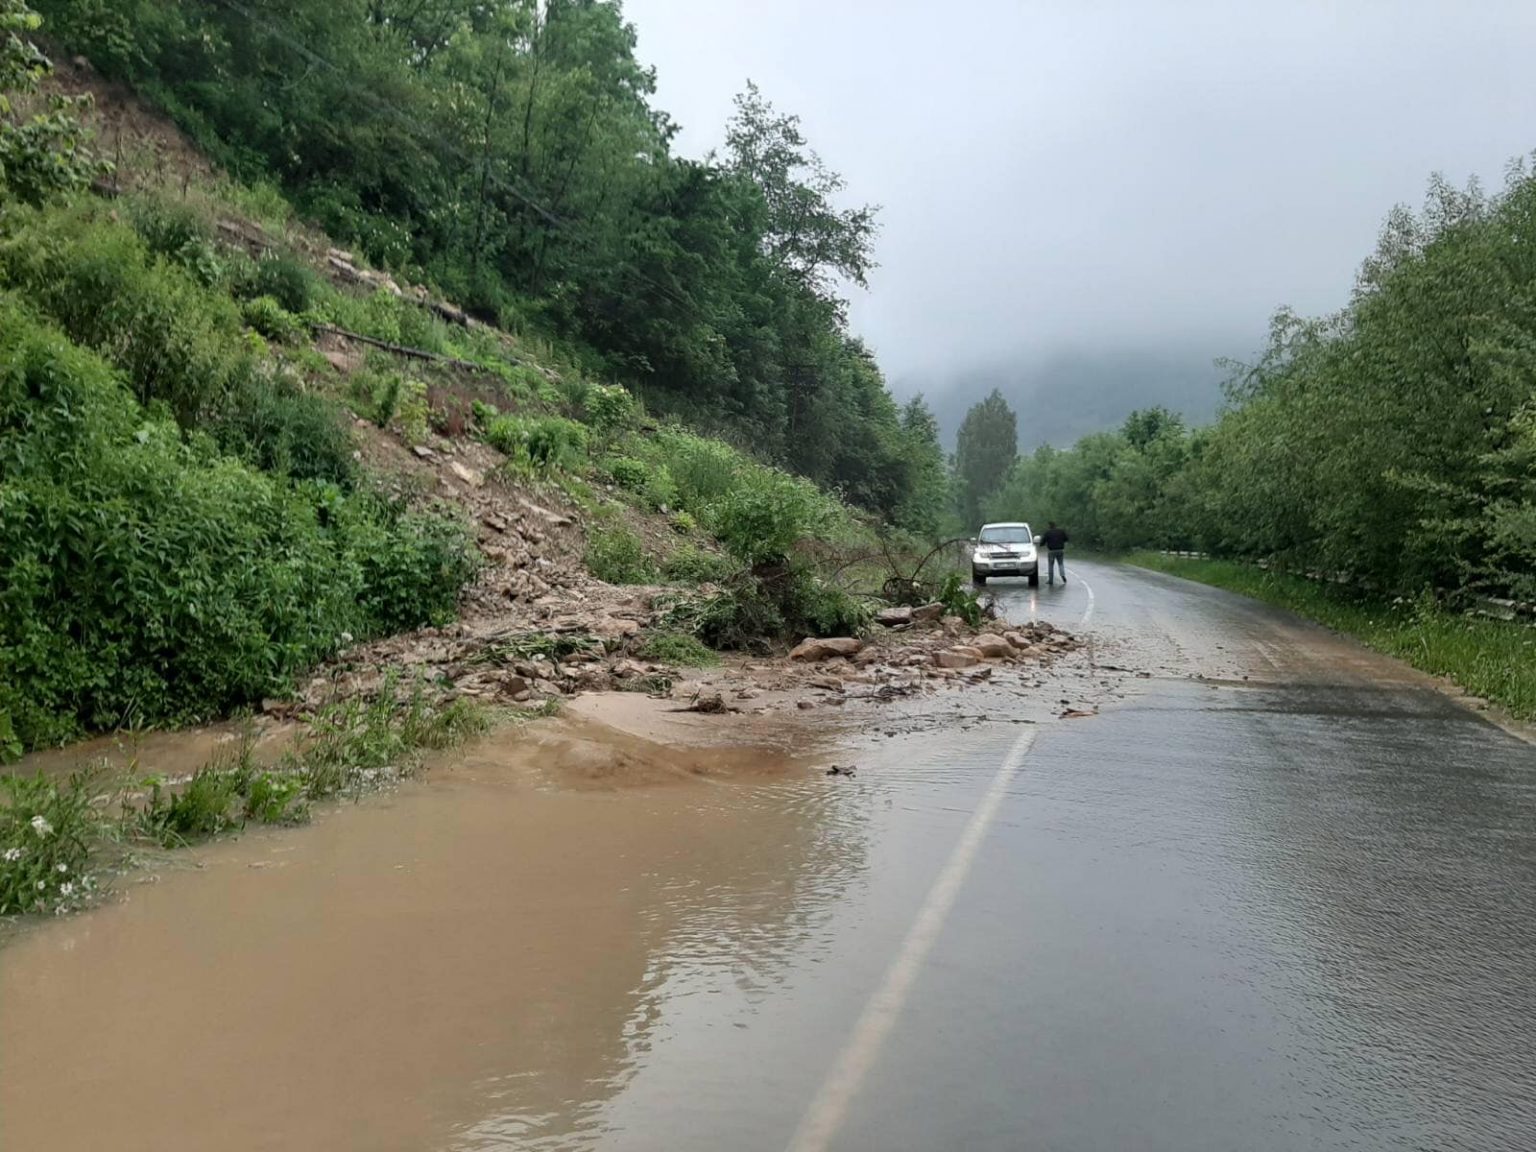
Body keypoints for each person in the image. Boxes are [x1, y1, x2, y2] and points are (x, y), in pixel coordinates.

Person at [1042, 521, 1069, 585]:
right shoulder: (1061, 531)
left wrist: (1041, 544)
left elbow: (1043, 541)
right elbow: (1066, 539)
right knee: (1060, 564)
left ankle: (1050, 580)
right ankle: (1062, 575)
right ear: (1055, 525)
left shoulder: (1048, 532)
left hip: (1051, 551)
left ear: (1049, 526)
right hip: (1060, 550)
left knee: (1051, 565)